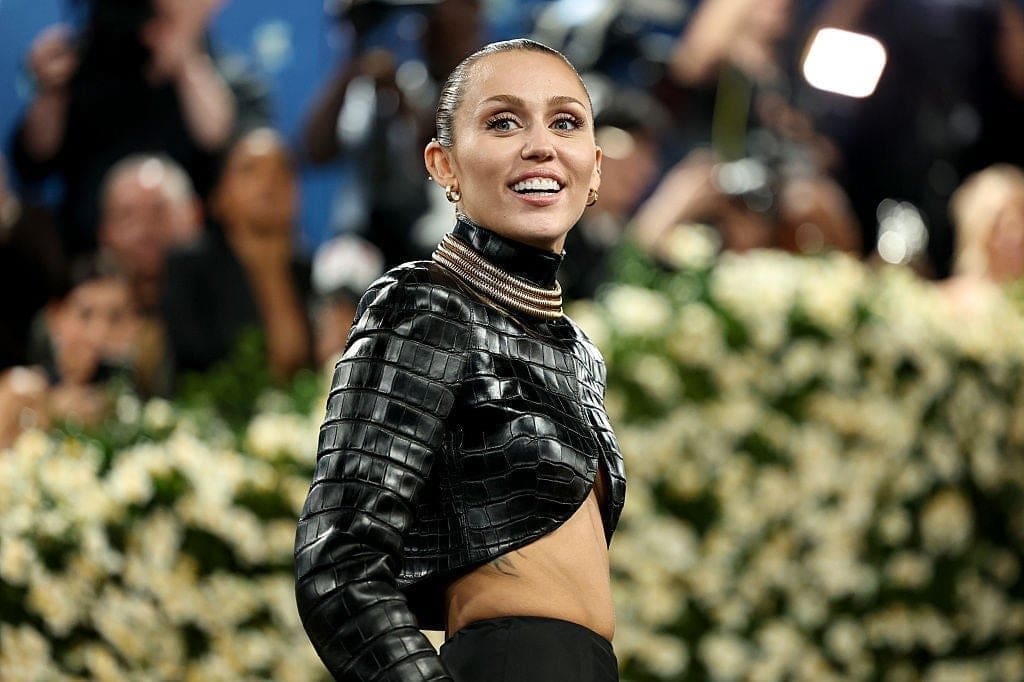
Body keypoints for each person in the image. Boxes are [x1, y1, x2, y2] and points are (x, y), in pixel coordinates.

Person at [294, 39, 626, 681]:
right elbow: (340, 564)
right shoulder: (425, 305)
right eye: (503, 122)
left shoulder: (579, 352)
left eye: (565, 122)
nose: (541, 145)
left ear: (594, 168)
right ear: (443, 165)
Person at [10, 0, 269, 257]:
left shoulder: (237, 82)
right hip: (90, 260)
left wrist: (187, 63)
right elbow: (33, 164)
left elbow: (228, 150)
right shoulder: (80, 72)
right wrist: (51, 91)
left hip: (197, 266)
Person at [163, 127, 312, 381]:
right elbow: (195, 366)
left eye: (283, 169)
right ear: (218, 198)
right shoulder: (189, 269)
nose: (270, 181)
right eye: (250, 170)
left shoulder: (312, 271)